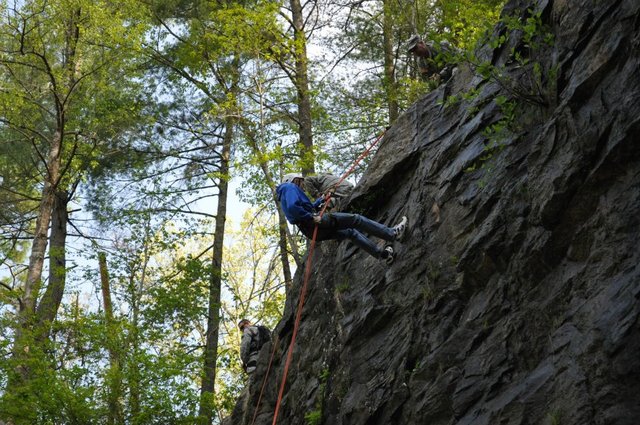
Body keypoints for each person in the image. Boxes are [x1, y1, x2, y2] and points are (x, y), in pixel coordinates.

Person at [276, 173, 407, 264]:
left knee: (351, 233)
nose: (303, 186)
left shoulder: (285, 196)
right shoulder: (289, 187)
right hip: (314, 223)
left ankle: (382, 255)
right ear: (295, 180)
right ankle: (392, 233)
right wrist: (310, 217)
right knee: (356, 219)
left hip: (311, 231)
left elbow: (306, 208)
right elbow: (295, 207)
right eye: (301, 182)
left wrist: (321, 200)